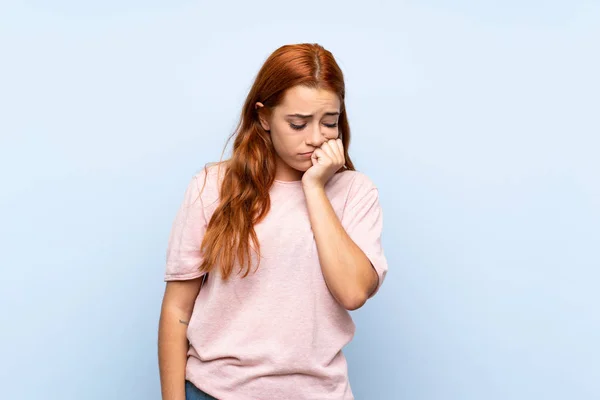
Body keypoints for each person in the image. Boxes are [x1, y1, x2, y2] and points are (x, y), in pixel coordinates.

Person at [158, 43, 389, 400]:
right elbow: (177, 308)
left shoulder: (355, 192)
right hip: (215, 391)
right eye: (298, 123)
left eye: (329, 122)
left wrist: (314, 187)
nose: (316, 138)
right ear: (264, 118)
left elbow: (353, 292)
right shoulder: (212, 187)